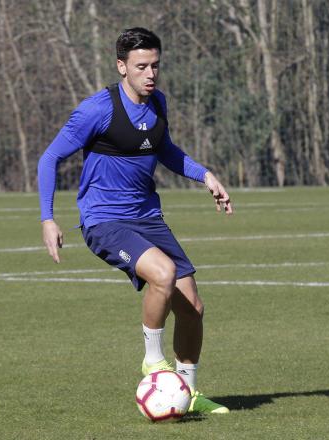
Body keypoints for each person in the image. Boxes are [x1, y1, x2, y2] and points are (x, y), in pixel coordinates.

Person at [37, 27, 233, 414]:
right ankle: (152, 361)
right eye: (141, 66)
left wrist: (205, 175)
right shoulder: (98, 109)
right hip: (105, 221)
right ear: (121, 66)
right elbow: (50, 158)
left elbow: (166, 151)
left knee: (192, 304)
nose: (151, 74)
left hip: (148, 217)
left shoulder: (158, 102)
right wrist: (48, 218)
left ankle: (187, 394)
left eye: (155, 65)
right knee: (161, 274)